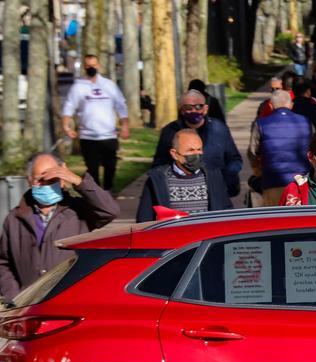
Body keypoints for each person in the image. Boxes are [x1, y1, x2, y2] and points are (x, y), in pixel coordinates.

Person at [0, 153, 119, 302]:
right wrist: (15, 296)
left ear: (62, 181)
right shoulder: (14, 219)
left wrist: (78, 181)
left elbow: (110, 211)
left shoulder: (77, 211)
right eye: (40, 180)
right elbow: (4, 263)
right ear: (29, 181)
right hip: (29, 305)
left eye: (52, 180)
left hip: (70, 300)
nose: (46, 185)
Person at [153, 90, 243, 198]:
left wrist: (225, 177)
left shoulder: (219, 128)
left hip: (216, 191)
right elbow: (159, 164)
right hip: (181, 192)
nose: (194, 110)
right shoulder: (170, 131)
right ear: (181, 110)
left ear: (205, 109)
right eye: (188, 107)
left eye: (198, 106)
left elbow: (234, 159)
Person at [62, 54, 130, 190]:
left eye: (94, 65)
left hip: (108, 135)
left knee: (110, 165)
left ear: (98, 66)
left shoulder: (108, 85)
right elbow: (69, 106)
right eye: (88, 66)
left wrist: (125, 126)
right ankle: (97, 195)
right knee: (92, 169)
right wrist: (66, 126)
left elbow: (121, 106)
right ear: (84, 67)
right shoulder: (78, 86)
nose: (91, 68)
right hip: (88, 136)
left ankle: (109, 191)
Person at [138, 129, 232, 222]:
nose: (196, 154)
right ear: (174, 154)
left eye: (199, 149)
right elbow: (144, 219)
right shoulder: (157, 180)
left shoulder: (213, 177)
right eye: (190, 150)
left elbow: (226, 211)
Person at [248, 90, 312, 206]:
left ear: (271, 106)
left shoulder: (261, 123)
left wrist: (257, 170)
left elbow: (252, 152)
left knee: (275, 219)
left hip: (272, 182)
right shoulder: (306, 122)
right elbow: (315, 149)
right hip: (301, 183)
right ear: (291, 105)